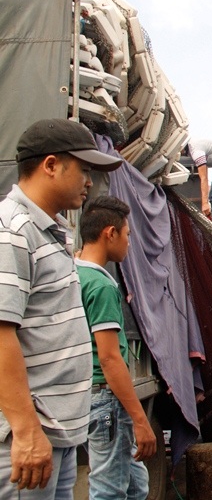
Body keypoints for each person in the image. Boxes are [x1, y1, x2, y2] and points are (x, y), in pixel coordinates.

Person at [0, 118, 122, 496]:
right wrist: (25, 431)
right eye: (83, 169)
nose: (90, 181)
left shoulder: (50, 232)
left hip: (59, 434)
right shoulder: (14, 232)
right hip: (30, 439)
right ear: (51, 165)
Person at [76, 196, 157, 499]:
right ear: (110, 233)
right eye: (127, 235)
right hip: (106, 404)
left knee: (136, 485)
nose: (128, 243)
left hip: (87, 397)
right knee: (109, 489)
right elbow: (110, 359)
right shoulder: (101, 285)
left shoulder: (73, 274)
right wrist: (140, 419)